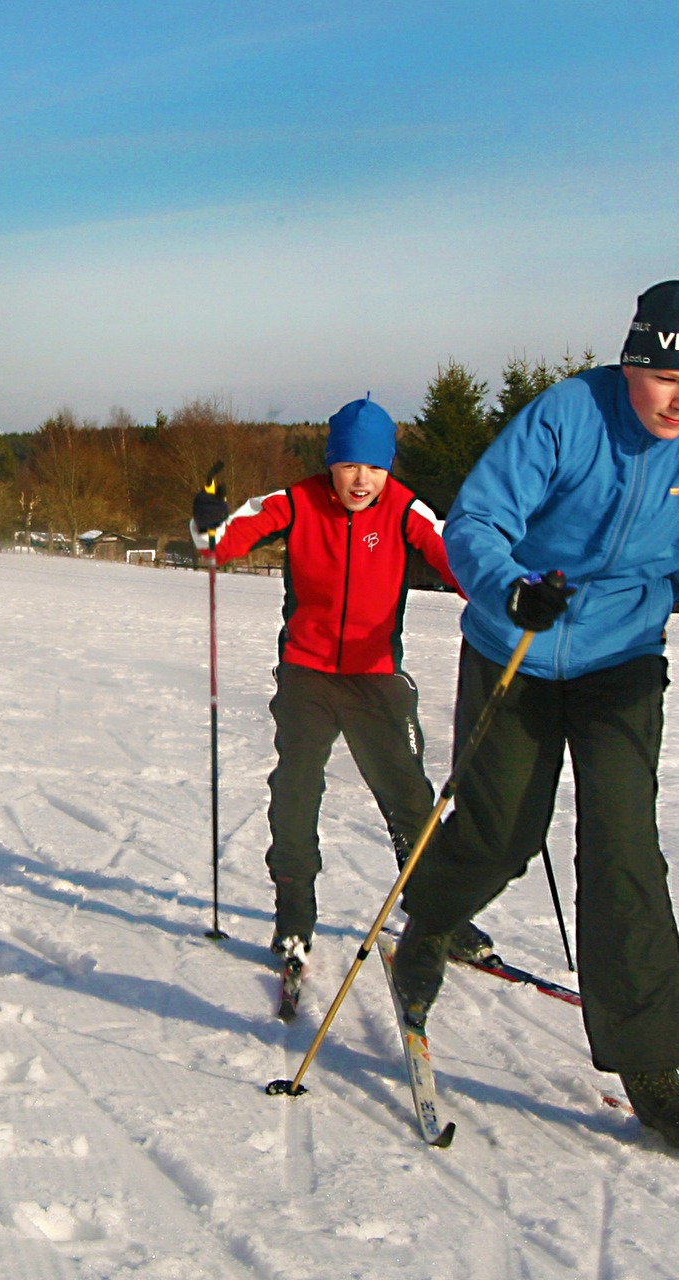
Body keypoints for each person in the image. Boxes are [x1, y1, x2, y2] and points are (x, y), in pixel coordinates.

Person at [390, 279, 679, 1151]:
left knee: (625, 844)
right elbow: (479, 517)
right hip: (519, 638)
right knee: (499, 834)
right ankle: (431, 925)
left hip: (622, 658)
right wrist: (511, 588)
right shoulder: (567, 415)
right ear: (633, 361)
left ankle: (651, 1066)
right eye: (668, 377)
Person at [190, 397, 489, 1014]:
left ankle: (439, 917)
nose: (361, 479)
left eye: (373, 468)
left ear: (388, 468)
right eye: (349, 465)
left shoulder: (406, 508)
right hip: (307, 676)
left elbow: (461, 560)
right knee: (295, 794)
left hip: (376, 678)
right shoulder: (296, 502)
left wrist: (514, 592)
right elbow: (219, 548)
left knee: (410, 801)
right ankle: (293, 919)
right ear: (331, 464)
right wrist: (207, 520)